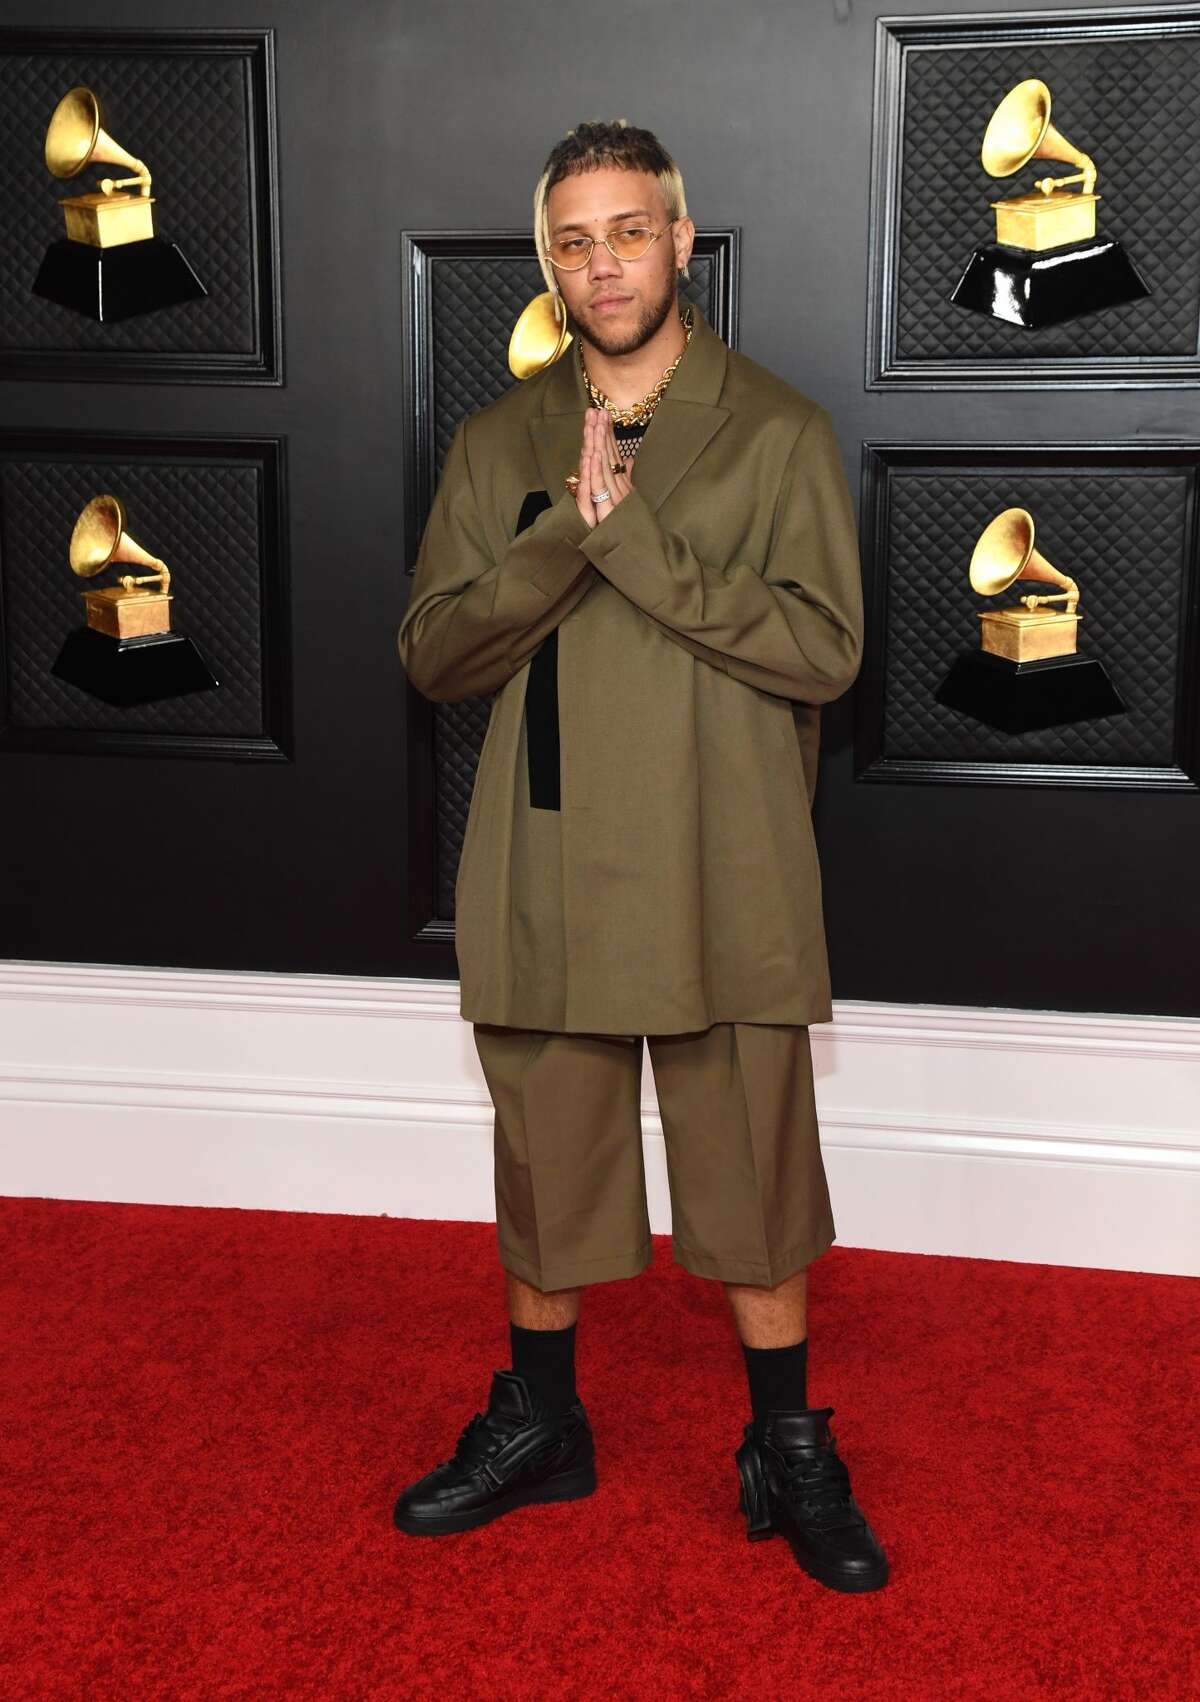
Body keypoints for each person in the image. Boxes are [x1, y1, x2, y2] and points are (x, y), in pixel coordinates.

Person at [393, 119, 888, 1593]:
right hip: (548, 857)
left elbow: (825, 650)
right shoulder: (500, 443)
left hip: (728, 858)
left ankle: (788, 1445)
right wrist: (561, 535)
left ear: (681, 240)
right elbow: (432, 654)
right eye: (572, 238)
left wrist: (641, 549)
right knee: (549, 1166)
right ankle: (543, 1422)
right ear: (549, 261)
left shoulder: (780, 431)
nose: (602, 261)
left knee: (754, 1182)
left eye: (627, 230)